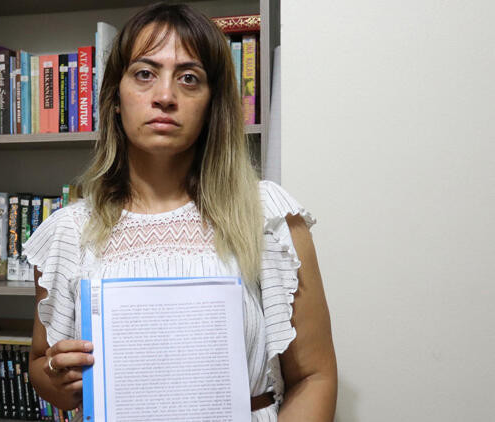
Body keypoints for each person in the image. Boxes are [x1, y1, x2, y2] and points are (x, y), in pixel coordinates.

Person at [24, 2, 337, 420]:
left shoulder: (268, 218)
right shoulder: (68, 231)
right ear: (115, 97)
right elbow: (43, 368)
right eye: (145, 74)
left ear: (211, 104)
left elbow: (314, 377)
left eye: (189, 78)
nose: (165, 96)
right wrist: (57, 375)